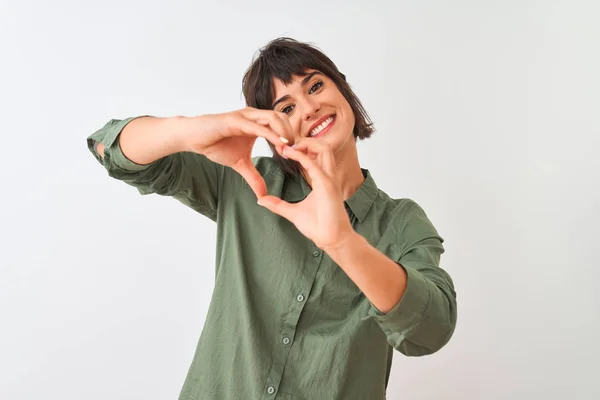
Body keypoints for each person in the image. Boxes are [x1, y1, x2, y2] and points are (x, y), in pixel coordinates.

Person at [87, 37, 457, 400]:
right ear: (270, 128)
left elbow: (430, 330)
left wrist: (343, 243)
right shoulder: (247, 181)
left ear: (343, 89)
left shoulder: (402, 222)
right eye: (286, 108)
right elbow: (108, 147)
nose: (309, 109)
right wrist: (191, 130)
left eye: (315, 86)